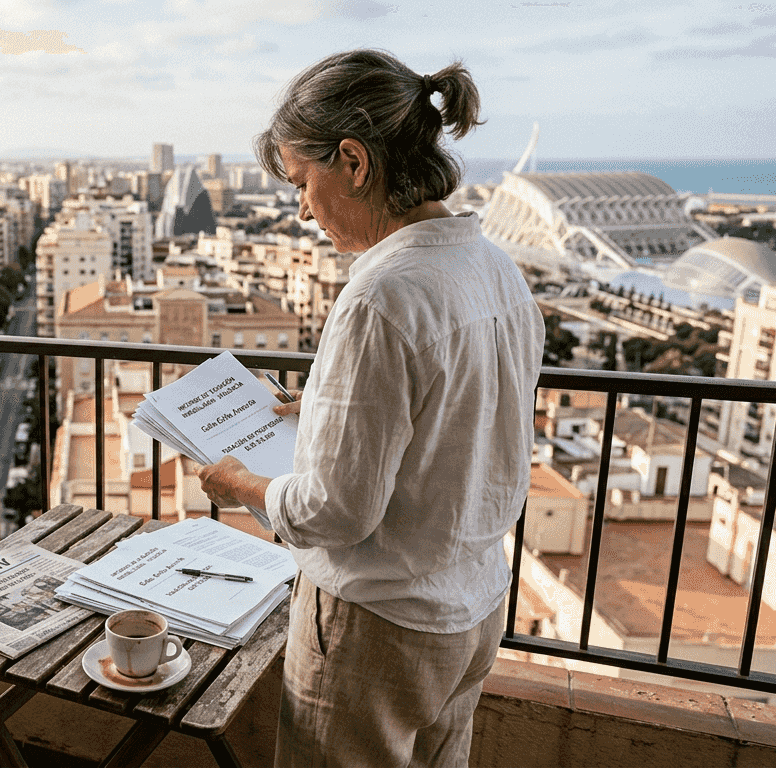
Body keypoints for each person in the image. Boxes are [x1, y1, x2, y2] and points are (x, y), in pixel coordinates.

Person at [197, 49, 544, 767]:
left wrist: (239, 486)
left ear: (353, 161)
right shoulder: (494, 268)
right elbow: (457, 414)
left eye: (302, 182)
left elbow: (336, 511)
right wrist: (324, 405)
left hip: (376, 625)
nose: (299, 208)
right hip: (470, 607)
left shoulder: (384, 295)